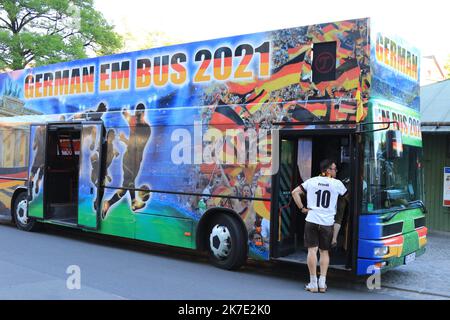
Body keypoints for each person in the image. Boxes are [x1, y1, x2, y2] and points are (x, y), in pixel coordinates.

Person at [291, 159, 347, 293]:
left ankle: (313, 283)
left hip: (312, 220)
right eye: (334, 169)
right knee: (324, 252)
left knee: (312, 251)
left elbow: (294, 193)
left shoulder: (312, 181)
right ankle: (322, 283)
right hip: (327, 223)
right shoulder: (337, 184)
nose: (336, 171)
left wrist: (302, 208)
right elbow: (347, 197)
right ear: (327, 170)